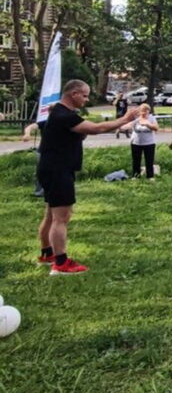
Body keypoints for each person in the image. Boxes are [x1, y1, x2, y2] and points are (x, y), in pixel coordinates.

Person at [36, 79, 140, 275]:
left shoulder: (60, 113)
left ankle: (47, 254)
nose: (87, 99)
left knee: (51, 214)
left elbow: (80, 133)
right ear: (73, 94)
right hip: (58, 170)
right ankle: (61, 263)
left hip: (52, 168)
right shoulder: (63, 115)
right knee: (62, 217)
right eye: (84, 95)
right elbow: (96, 129)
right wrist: (124, 119)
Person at [128, 103, 158, 179]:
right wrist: (120, 128)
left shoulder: (151, 118)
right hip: (136, 143)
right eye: (143, 110)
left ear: (149, 111)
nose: (144, 112)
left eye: (146, 110)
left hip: (149, 143)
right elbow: (128, 125)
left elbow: (156, 128)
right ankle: (136, 175)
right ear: (140, 111)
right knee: (136, 160)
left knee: (149, 160)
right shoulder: (136, 119)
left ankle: (150, 176)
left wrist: (148, 124)